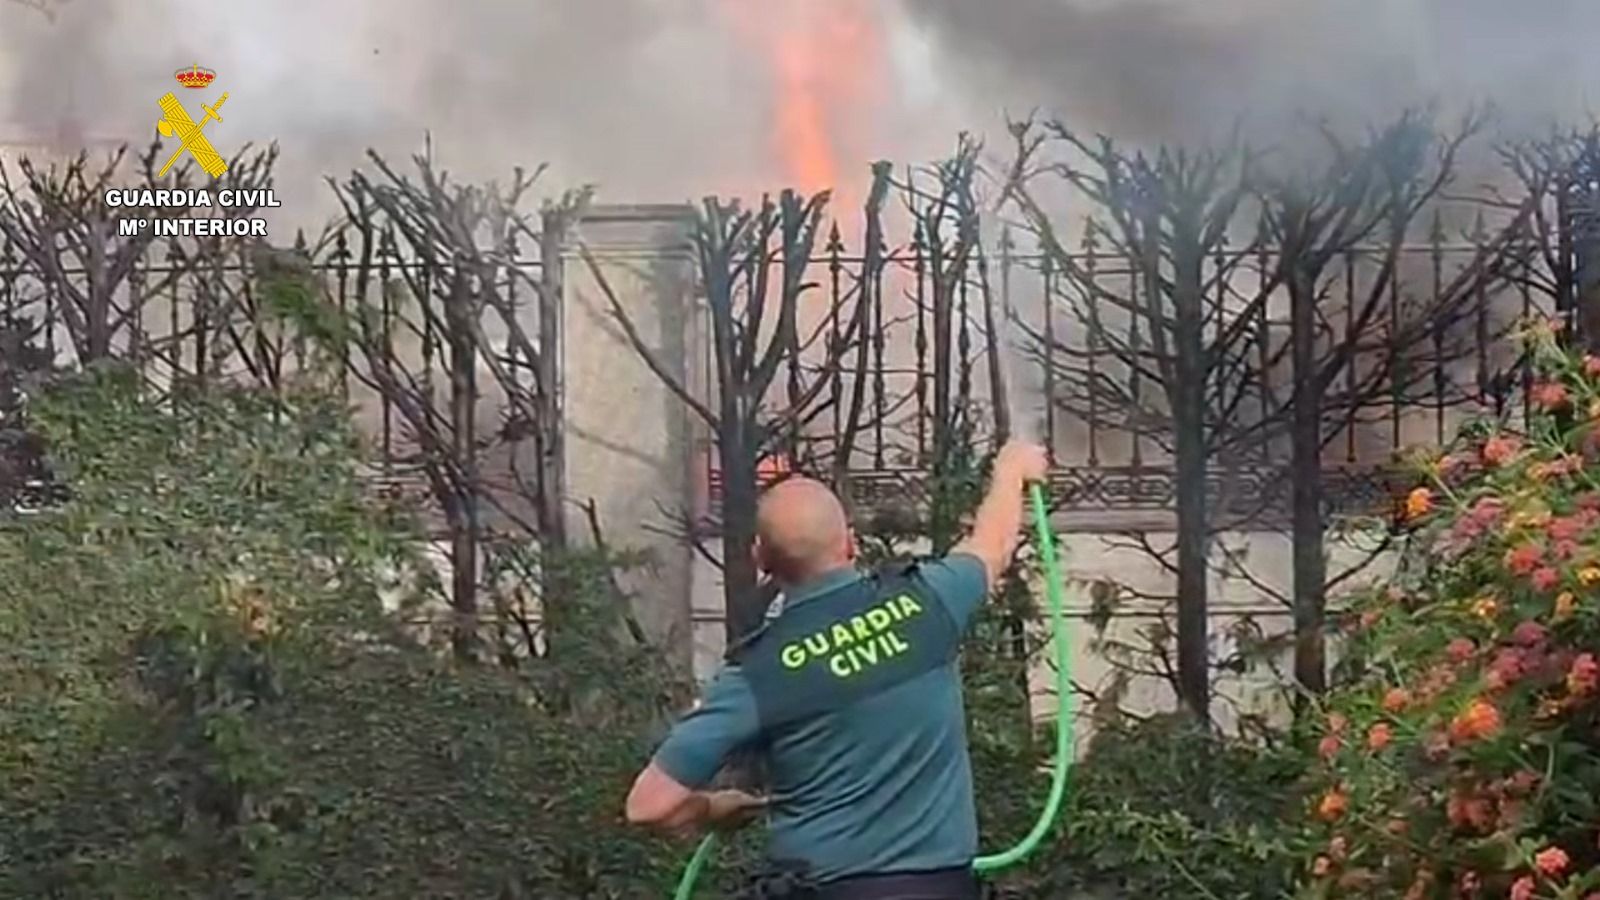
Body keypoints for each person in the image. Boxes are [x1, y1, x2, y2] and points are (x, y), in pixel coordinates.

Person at [624, 440, 1050, 900]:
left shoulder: (756, 675)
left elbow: (648, 806)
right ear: (850, 541)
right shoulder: (928, 602)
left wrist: (713, 808)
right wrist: (1011, 471)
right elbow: (993, 545)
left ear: (761, 560)